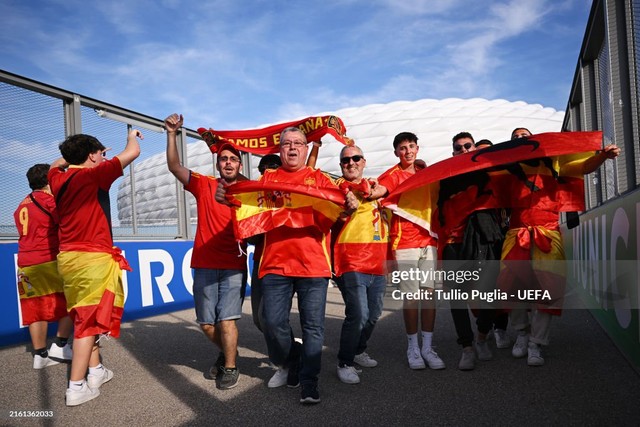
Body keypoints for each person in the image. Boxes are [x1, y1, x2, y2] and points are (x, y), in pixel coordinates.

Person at [216, 126, 358, 404]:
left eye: (298, 143)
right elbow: (246, 205)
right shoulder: (266, 180)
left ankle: (308, 380)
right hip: (274, 266)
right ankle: (293, 360)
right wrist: (230, 200)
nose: (292, 148)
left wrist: (349, 206)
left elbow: (339, 212)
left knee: (313, 327)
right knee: (271, 322)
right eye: (287, 144)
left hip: (313, 266)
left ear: (306, 149)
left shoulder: (321, 179)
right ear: (279, 150)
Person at [503, 127, 620, 366]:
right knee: (510, 286)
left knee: (548, 287)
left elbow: (582, 167)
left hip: (548, 232)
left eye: (524, 135)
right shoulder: (504, 168)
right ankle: (522, 334)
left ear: (534, 139)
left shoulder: (554, 162)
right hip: (516, 233)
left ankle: (536, 343)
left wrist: (602, 156)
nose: (520, 139)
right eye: (515, 137)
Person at [48, 129, 141, 406]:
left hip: (68, 259)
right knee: (88, 323)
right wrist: (131, 134)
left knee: (83, 316)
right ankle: (76, 387)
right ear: (91, 155)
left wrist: (77, 155)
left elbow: (55, 164)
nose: (104, 157)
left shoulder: (57, 179)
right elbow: (133, 151)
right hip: (93, 259)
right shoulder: (95, 175)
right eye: (101, 153)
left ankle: (96, 370)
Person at [164, 113, 247, 389]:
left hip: (235, 264)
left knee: (226, 320)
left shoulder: (249, 191)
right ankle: (227, 353)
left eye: (233, 159)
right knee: (205, 323)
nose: (228, 163)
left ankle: (231, 366)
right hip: (204, 263)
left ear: (239, 164)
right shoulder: (204, 184)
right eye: (224, 159)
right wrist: (171, 134)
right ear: (218, 163)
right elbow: (174, 166)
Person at [438, 132, 505, 370]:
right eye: (459, 148)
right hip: (454, 245)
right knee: (457, 299)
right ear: (453, 153)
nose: (464, 150)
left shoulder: (490, 173)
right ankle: (466, 347)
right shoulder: (445, 178)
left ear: (475, 148)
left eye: (468, 146)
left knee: (489, 296)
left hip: (484, 241)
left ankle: (482, 337)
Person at [378, 132, 445, 370]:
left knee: (428, 296)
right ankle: (413, 347)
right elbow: (380, 190)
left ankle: (428, 347)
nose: (408, 151)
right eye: (403, 148)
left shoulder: (428, 174)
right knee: (411, 297)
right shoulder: (393, 176)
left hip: (429, 241)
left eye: (411, 146)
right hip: (404, 243)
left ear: (418, 148)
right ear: (396, 152)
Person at [332, 145, 389, 384]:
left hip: (378, 261)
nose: (351, 163)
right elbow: (327, 217)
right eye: (346, 160)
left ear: (364, 161)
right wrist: (345, 209)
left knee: (374, 314)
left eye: (356, 158)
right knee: (359, 313)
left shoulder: (375, 188)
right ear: (341, 165)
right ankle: (344, 362)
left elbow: (395, 186)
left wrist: (379, 189)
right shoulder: (336, 189)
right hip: (351, 261)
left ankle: (358, 350)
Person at [14, 164, 73, 370]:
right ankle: (61, 345)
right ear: (49, 181)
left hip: (25, 262)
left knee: (34, 308)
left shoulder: (22, 204)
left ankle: (40, 355)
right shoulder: (50, 201)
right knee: (70, 301)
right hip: (49, 258)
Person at [249, 153, 282, 332]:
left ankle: (284, 356)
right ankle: (290, 348)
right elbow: (251, 239)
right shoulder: (254, 198)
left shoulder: (293, 195)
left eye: (274, 168)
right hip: (261, 262)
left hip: (283, 264)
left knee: (271, 317)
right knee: (259, 319)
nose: (268, 172)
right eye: (264, 169)